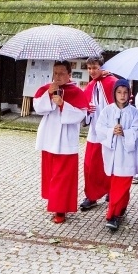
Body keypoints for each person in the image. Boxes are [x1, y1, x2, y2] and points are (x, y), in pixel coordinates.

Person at [33, 61, 88, 223]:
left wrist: (63, 104)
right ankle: (54, 202)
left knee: (62, 177)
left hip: (65, 139)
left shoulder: (76, 92)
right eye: (55, 73)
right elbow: (38, 108)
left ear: (69, 74)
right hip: (49, 136)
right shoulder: (46, 89)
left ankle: (60, 210)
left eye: (62, 73)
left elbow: (80, 115)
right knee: (51, 174)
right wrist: (48, 96)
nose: (57, 76)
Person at [95, 79, 138, 232]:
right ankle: (120, 208)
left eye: (125, 92)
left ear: (129, 94)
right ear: (114, 93)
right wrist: (111, 131)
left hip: (127, 155)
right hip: (113, 154)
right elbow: (99, 128)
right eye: (119, 92)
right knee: (116, 184)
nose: (122, 96)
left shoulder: (134, 112)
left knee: (123, 184)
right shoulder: (107, 111)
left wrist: (125, 133)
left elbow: (136, 131)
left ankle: (112, 214)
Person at [79, 56, 118, 211]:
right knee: (90, 164)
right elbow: (84, 109)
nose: (92, 71)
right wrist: (87, 111)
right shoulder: (90, 86)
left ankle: (111, 190)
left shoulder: (113, 82)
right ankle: (92, 195)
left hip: (110, 131)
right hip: (94, 131)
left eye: (95, 67)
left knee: (110, 162)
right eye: (89, 68)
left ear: (102, 66)